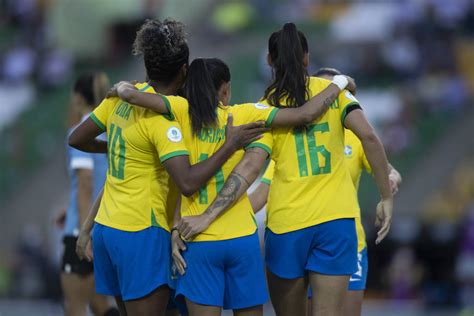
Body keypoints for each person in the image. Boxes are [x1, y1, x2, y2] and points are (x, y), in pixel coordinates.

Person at [172, 23, 394, 316]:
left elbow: (249, 169)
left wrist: (208, 216)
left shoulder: (267, 108)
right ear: (307, 58)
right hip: (336, 223)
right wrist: (386, 197)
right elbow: (369, 138)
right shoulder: (336, 94)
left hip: (288, 226)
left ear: (269, 62)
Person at [108, 56, 355, 316]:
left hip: (198, 240)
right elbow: (305, 114)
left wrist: (123, 87)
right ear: (225, 89)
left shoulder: (178, 110)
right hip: (241, 239)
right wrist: (339, 82)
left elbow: (133, 97)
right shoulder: (244, 114)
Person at [68, 19, 265, 316]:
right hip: (141, 231)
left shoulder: (118, 100)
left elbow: (77, 138)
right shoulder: (164, 120)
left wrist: (118, 149)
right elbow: (187, 182)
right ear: (184, 70)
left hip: (108, 229)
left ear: (147, 65)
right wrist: (229, 146)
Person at [248, 67, 403, 316]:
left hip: (346, 238)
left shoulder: (355, 138)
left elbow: (386, 169)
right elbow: (262, 192)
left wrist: (391, 179)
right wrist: (225, 218)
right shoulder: (293, 138)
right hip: (301, 236)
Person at [61, 72, 119, 316]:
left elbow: (85, 183)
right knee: (102, 305)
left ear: (77, 97)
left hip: (82, 232)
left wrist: (85, 231)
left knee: (75, 308)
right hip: (108, 224)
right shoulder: (112, 127)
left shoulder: (82, 131)